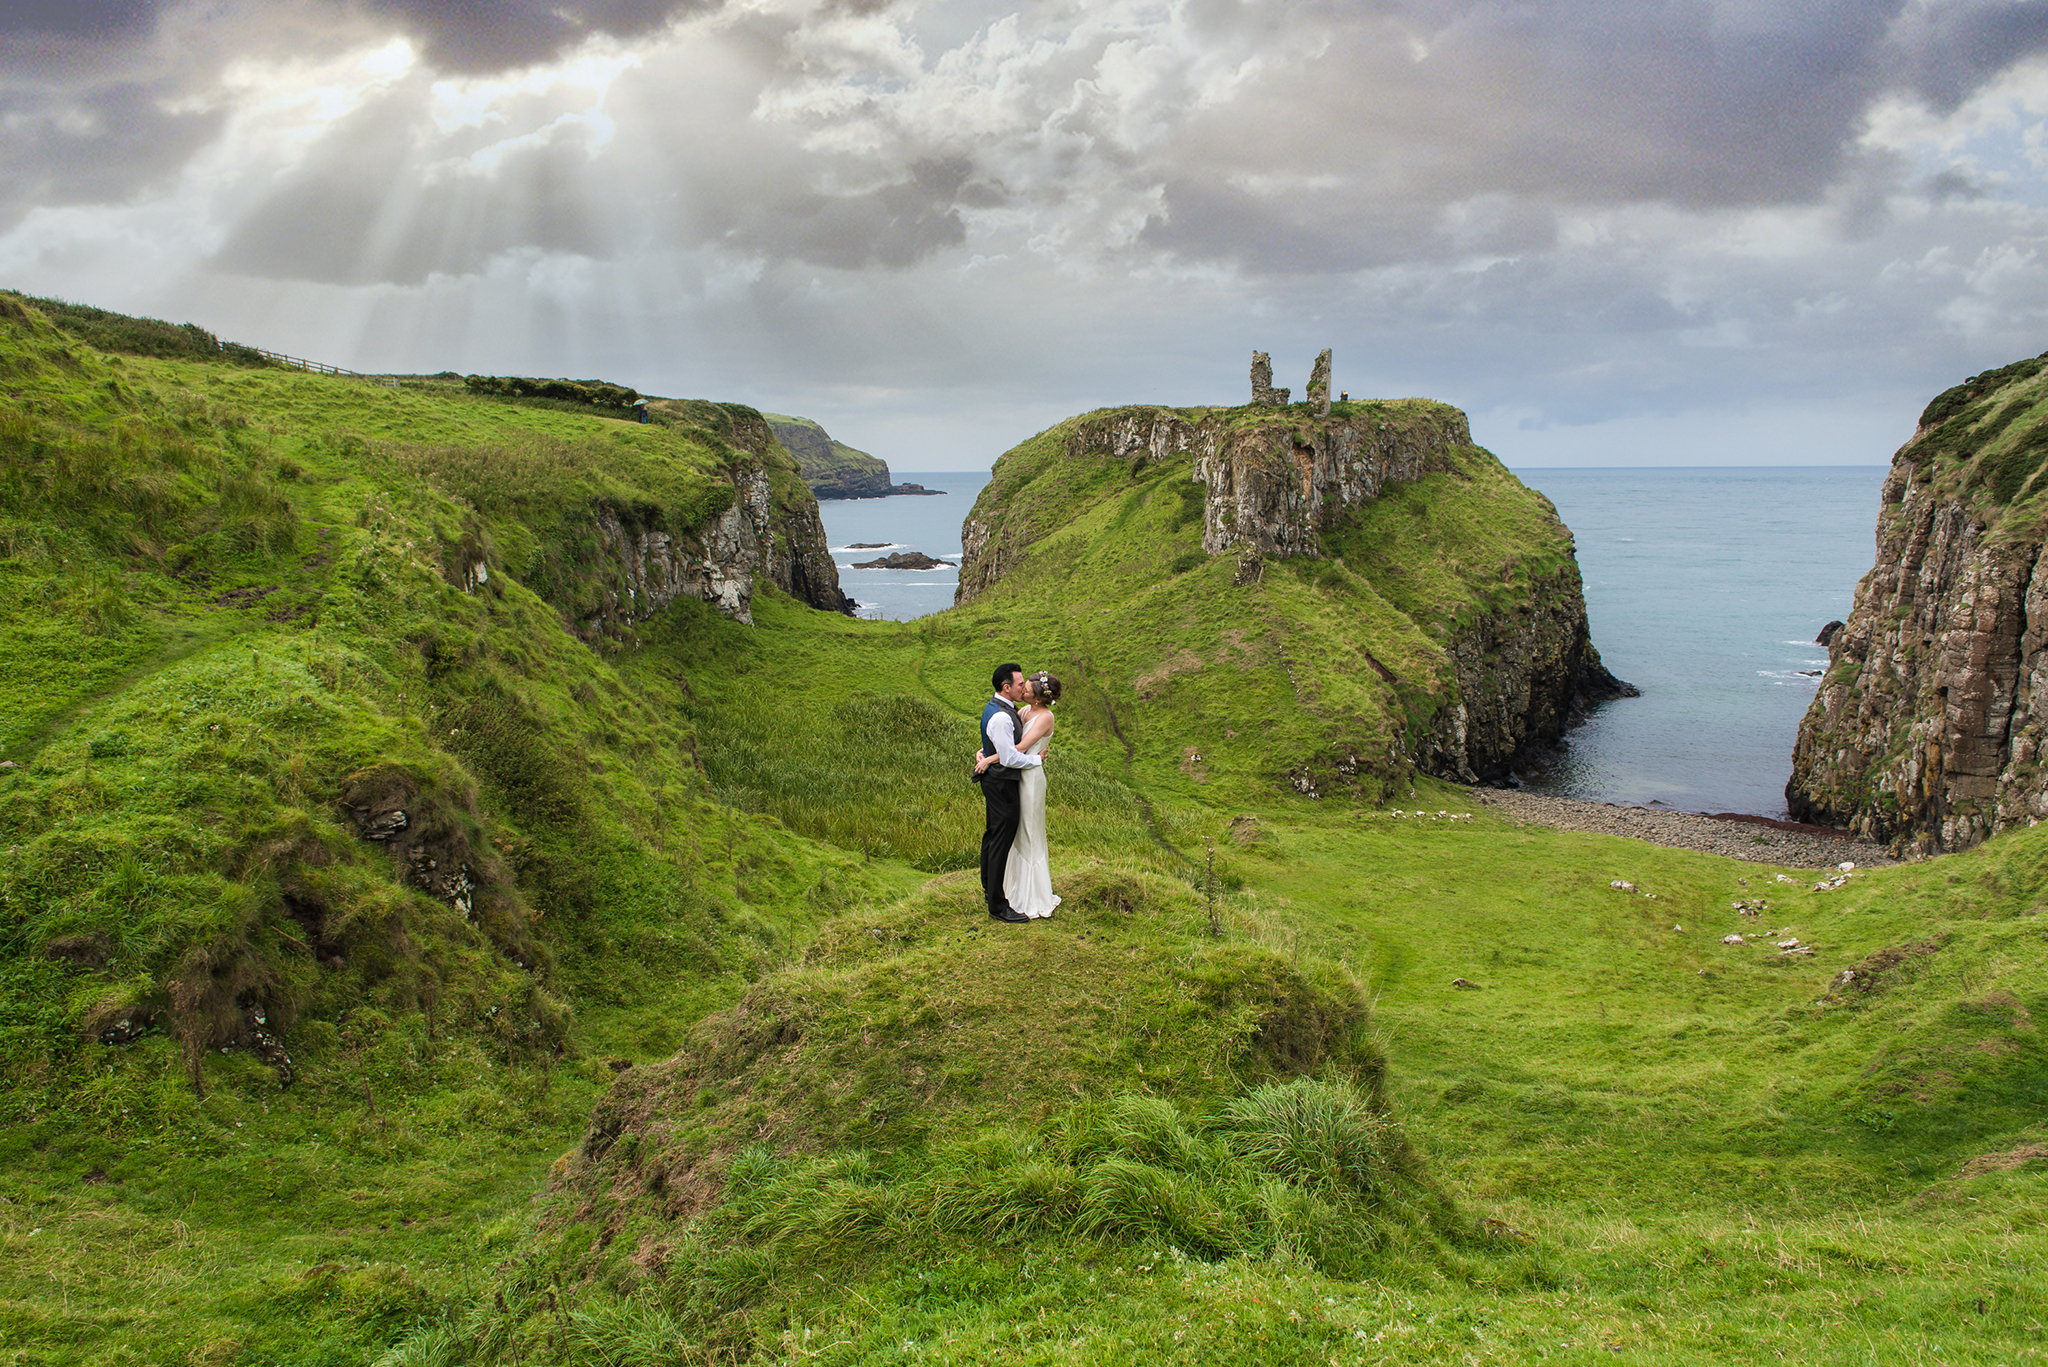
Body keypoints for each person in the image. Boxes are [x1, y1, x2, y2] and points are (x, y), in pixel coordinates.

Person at [977, 671, 1061, 918]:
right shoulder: (1023, 711)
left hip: (1031, 778)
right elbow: (1005, 739)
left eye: (1027, 689)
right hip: (1016, 775)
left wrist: (989, 759)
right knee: (1013, 833)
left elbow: (1018, 749)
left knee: (1029, 831)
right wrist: (984, 750)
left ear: (1037, 698)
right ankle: (1009, 887)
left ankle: (1032, 893)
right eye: (1022, 686)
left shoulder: (1046, 717)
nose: (1022, 690)